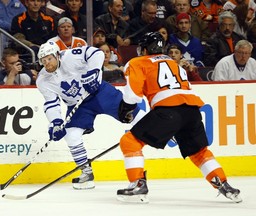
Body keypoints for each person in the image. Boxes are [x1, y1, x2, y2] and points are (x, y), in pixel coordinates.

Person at [116, 31, 242, 203]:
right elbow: (186, 86)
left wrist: (125, 109)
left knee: (129, 142)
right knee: (198, 152)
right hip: (191, 110)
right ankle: (224, 184)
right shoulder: (173, 63)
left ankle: (138, 184)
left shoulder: (138, 62)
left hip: (168, 110)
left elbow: (133, 96)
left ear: (145, 49)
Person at [36, 41, 146, 190]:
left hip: (99, 92)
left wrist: (93, 72)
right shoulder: (42, 80)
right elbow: (51, 103)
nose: (47, 63)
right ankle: (86, 174)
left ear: (57, 55)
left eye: (49, 58)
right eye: (43, 61)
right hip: (78, 105)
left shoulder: (70, 56)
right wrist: (55, 122)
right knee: (71, 135)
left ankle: (158, 127)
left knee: (129, 112)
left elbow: (97, 53)